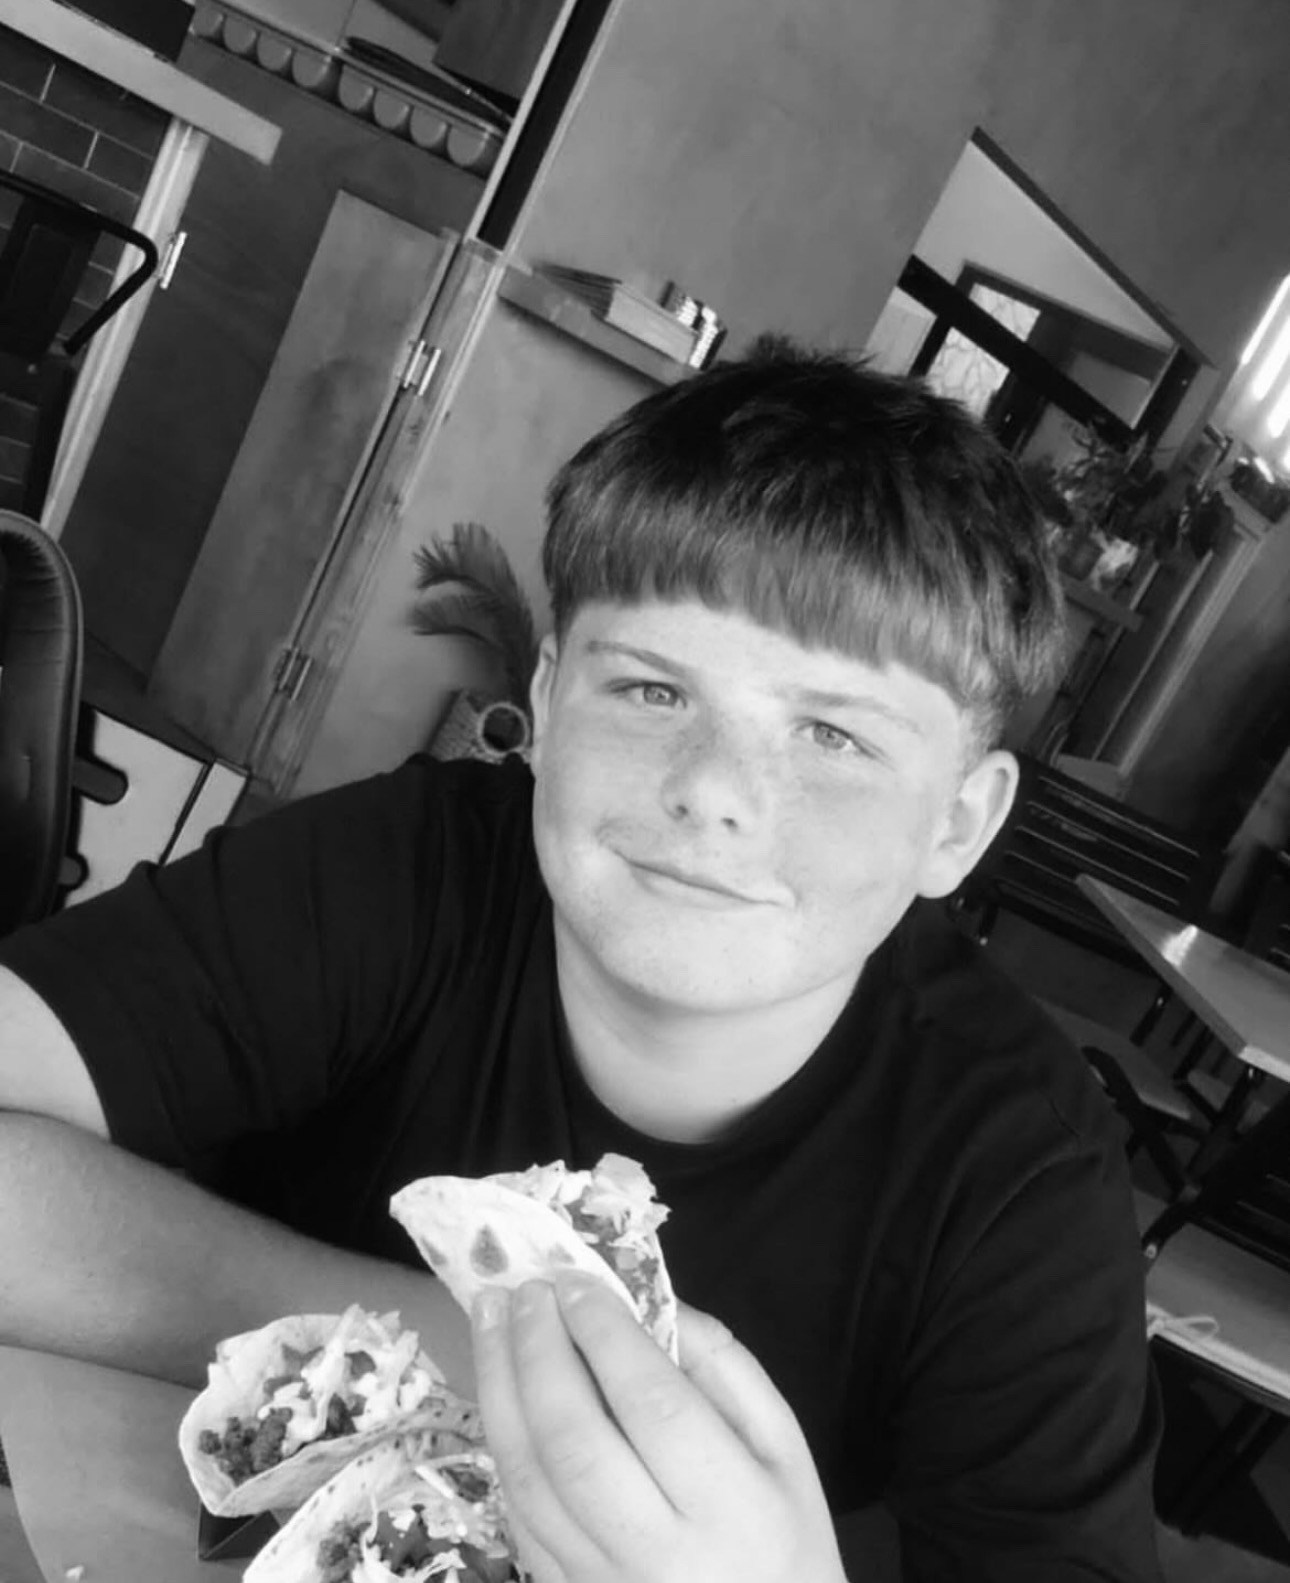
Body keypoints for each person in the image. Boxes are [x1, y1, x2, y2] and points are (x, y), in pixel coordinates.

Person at [0, 340, 1162, 1580]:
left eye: (834, 734)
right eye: (654, 691)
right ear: (548, 706)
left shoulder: (1021, 1175)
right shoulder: (413, 867)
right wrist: (470, 1346)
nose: (713, 790)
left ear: (958, 825)